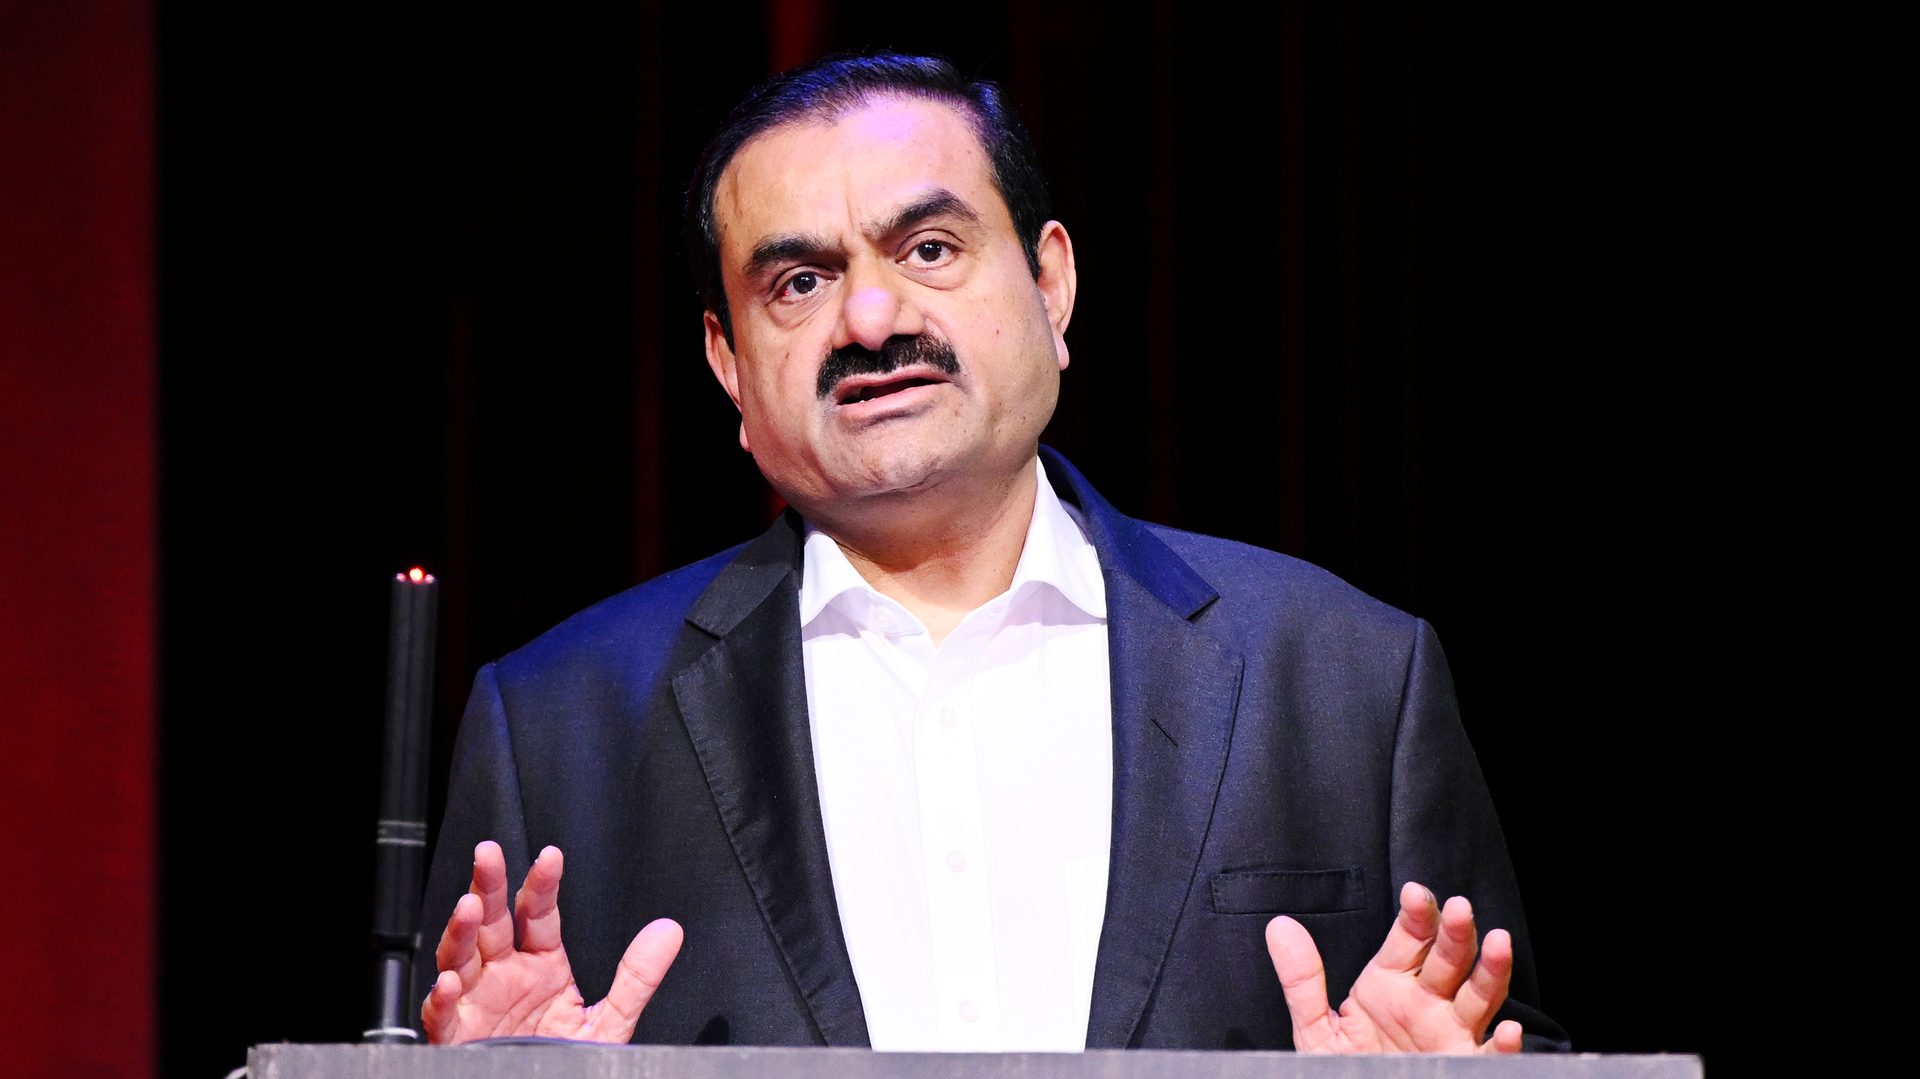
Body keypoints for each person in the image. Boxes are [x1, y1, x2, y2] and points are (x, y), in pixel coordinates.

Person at [414, 52, 1566, 1054]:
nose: (869, 318)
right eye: (799, 281)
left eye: (928, 246)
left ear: (1051, 282)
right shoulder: (557, 722)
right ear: (728, 362)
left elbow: (1515, 1044)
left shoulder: (1347, 677)